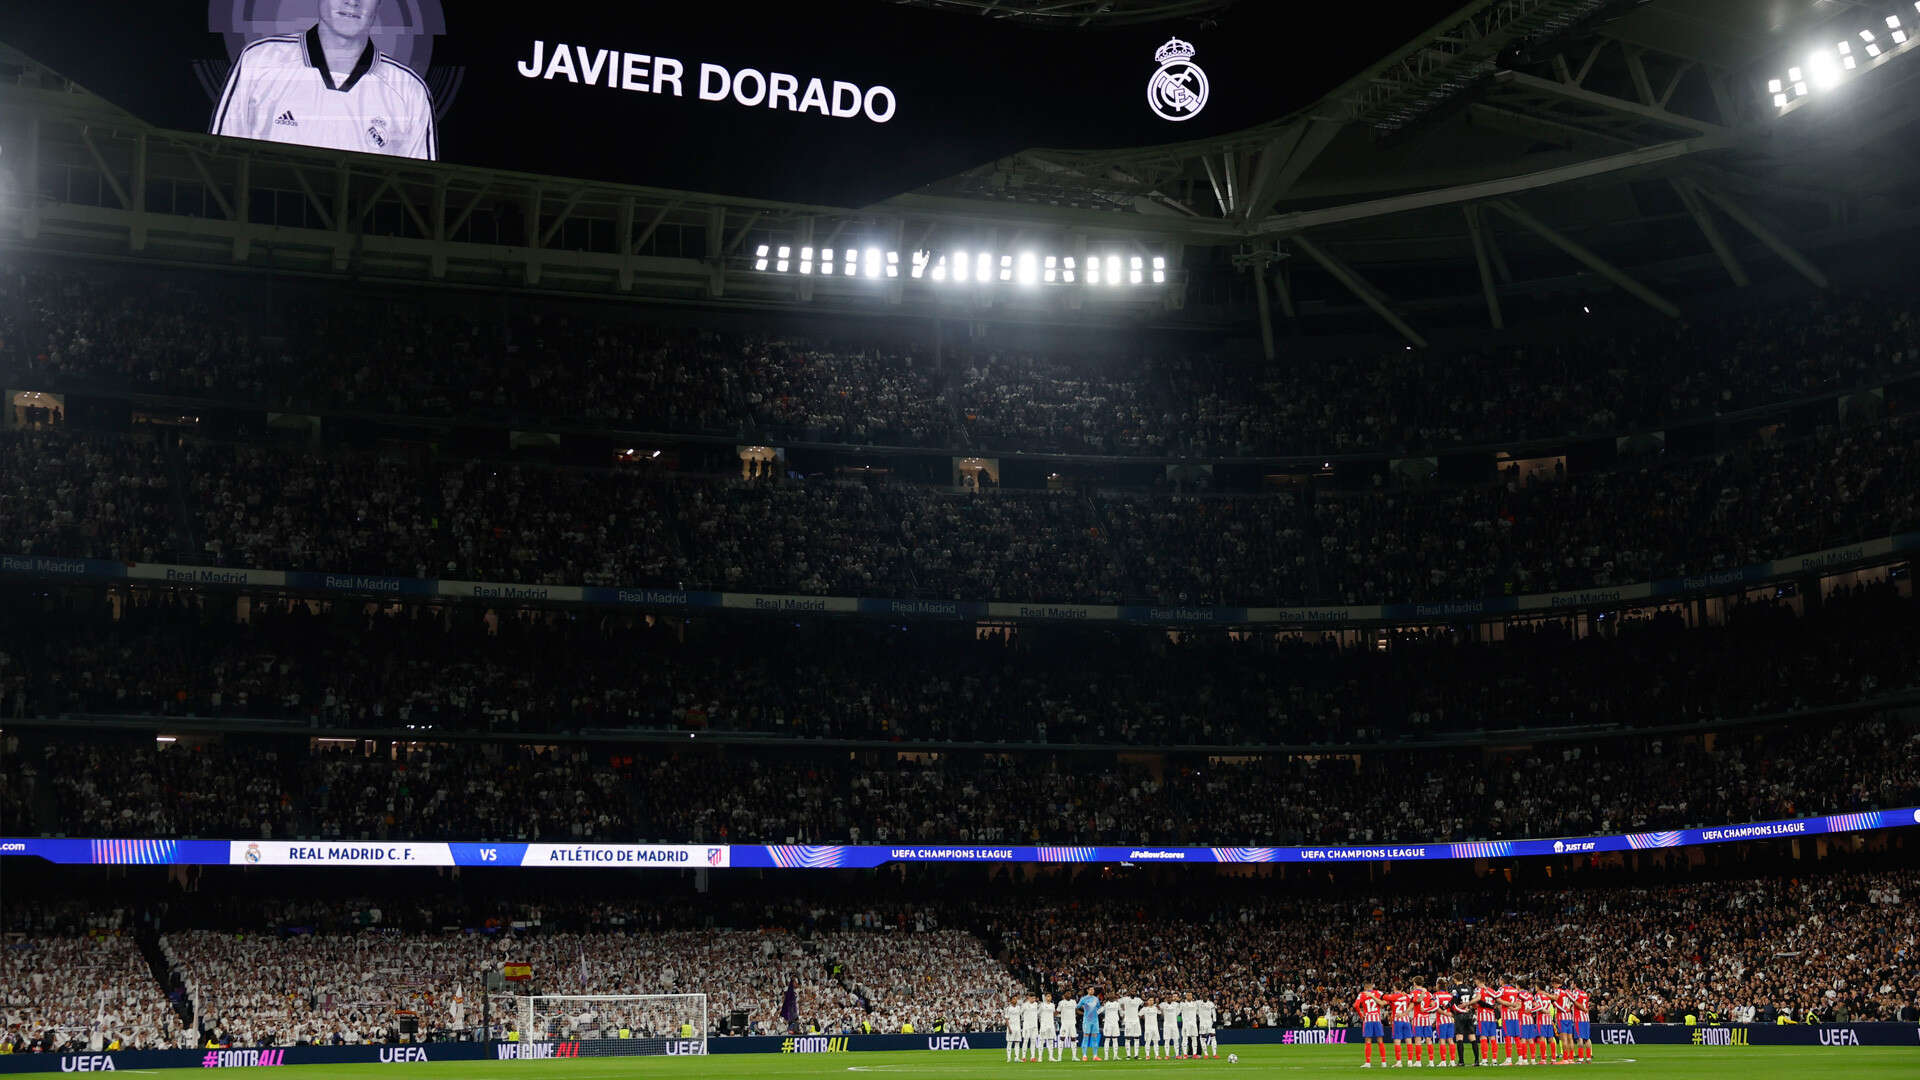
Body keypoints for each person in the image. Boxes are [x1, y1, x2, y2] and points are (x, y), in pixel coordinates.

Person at [211, 0, 437, 160]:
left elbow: (422, 192)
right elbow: (220, 162)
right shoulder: (259, 62)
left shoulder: (409, 90)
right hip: (267, 224)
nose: (352, 2)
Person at [1355, 983, 1387, 1068]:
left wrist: (1361, 1015)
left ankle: (1368, 1062)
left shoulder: (1362, 994)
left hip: (1368, 1019)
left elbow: (1356, 1006)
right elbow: (1386, 1000)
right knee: (1380, 1041)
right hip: (1377, 1019)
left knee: (1368, 1041)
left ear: (1365, 987)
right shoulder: (1379, 993)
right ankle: (1384, 1062)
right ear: (1372, 987)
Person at [1384, 986, 1413, 1067]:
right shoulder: (1407, 996)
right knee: (1408, 1040)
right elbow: (1413, 1001)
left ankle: (1399, 1062)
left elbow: (1384, 1002)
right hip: (1406, 1020)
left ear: (1394, 988)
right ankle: (1410, 1061)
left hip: (1397, 1020)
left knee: (1397, 1041)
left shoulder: (1393, 997)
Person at [1120, 991, 1143, 1060]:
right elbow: (1118, 1003)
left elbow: (1144, 1004)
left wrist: (1140, 1013)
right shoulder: (1125, 999)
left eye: (1134, 991)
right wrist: (1122, 1011)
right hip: (1128, 1021)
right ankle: (1128, 1055)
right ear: (1129, 992)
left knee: (1137, 1038)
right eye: (1132, 991)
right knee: (1127, 1038)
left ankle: (1136, 1055)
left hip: (1136, 1021)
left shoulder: (1138, 1000)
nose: (1133, 992)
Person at [1099, 994, 1121, 1061]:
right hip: (1107, 1024)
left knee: (1115, 1039)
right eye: (1110, 995)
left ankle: (1115, 1056)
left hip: (1115, 1023)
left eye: (1112, 995)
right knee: (1107, 1039)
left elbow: (1121, 1011)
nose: (1111, 996)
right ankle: (1106, 1056)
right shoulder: (1105, 1004)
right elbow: (1099, 1011)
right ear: (1108, 996)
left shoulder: (1117, 1004)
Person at [1004, 997, 1023, 1064]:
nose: (1015, 1000)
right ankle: (1009, 1058)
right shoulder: (1008, 1008)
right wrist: (1009, 1028)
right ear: (1011, 1000)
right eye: (1014, 999)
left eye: (1016, 999)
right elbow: (1006, 1019)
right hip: (1011, 1027)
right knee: (1009, 1043)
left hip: (1017, 1028)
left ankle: (1016, 1058)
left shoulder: (1018, 1008)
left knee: (1017, 1043)